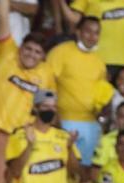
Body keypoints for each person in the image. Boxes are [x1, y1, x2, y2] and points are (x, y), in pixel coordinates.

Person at [0, 0, 53, 183]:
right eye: (28, 49)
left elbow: (46, 109)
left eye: (37, 52)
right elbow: (3, 16)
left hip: (22, 137)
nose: (31, 55)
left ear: (43, 56)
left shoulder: (45, 74)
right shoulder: (6, 52)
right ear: (21, 47)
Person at [46, 18, 107, 165]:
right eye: (88, 31)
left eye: (96, 33)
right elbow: (47, 84)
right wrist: (53, 117)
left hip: (91, 124)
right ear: (78, 32)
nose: (92, 36)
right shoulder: (60, 52)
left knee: (85, 169)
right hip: (64, 121)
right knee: (62, 166)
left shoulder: (99, 62)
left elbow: (102, 94)